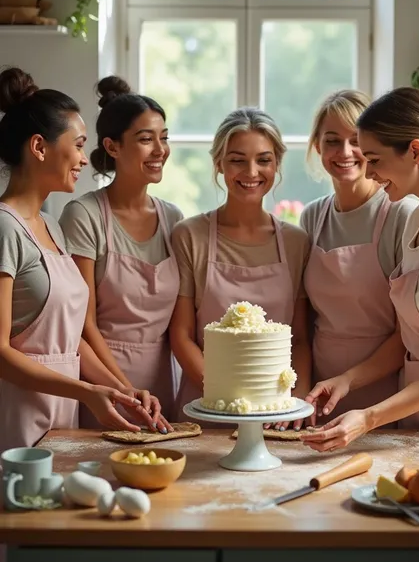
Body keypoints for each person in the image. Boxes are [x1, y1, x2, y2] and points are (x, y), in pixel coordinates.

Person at [302, 87, 419, 454]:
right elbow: (412, 335)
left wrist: (367, 418)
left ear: (414, 152)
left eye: (375, 159)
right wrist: (349, 380)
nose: (372, 173)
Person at [0, 67, 156, 451]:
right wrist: (86, 392)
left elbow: (69, 342)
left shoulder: (52, 227)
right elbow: (0, 353)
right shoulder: (4, 228)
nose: (85, 160)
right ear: (39, 147)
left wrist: (123, 391)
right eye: (79, 145)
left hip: (61, 416)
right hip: (17, 416)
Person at [170, 107, 312, 427]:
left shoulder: (296, 242)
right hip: (205, 405)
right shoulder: (189, 236)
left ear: (276, 164)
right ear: (219, 163)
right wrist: (229, 399)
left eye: (263, 159)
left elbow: (301, 339)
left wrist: (294, 405)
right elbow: (181, 335)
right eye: (237, 159)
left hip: (276, 411)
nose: (251, 172)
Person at [60, 76, 182, 432]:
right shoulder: (84, 215)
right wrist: (125, 390)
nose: (160, 149)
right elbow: (84, 322)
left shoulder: (173, 218)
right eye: (146, 139)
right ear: (112, 147)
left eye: (164, 137)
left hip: (161, 383)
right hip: (102, 382)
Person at [301, 90, 418, 423]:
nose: (345, 152)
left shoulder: (400, 213)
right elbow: (307, 318)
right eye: (332, 140)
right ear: (316, 146)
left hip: (382, 392)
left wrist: (349, 381)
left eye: (356, 141)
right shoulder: (313, 216)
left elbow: (407, 332)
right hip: (319, 391)